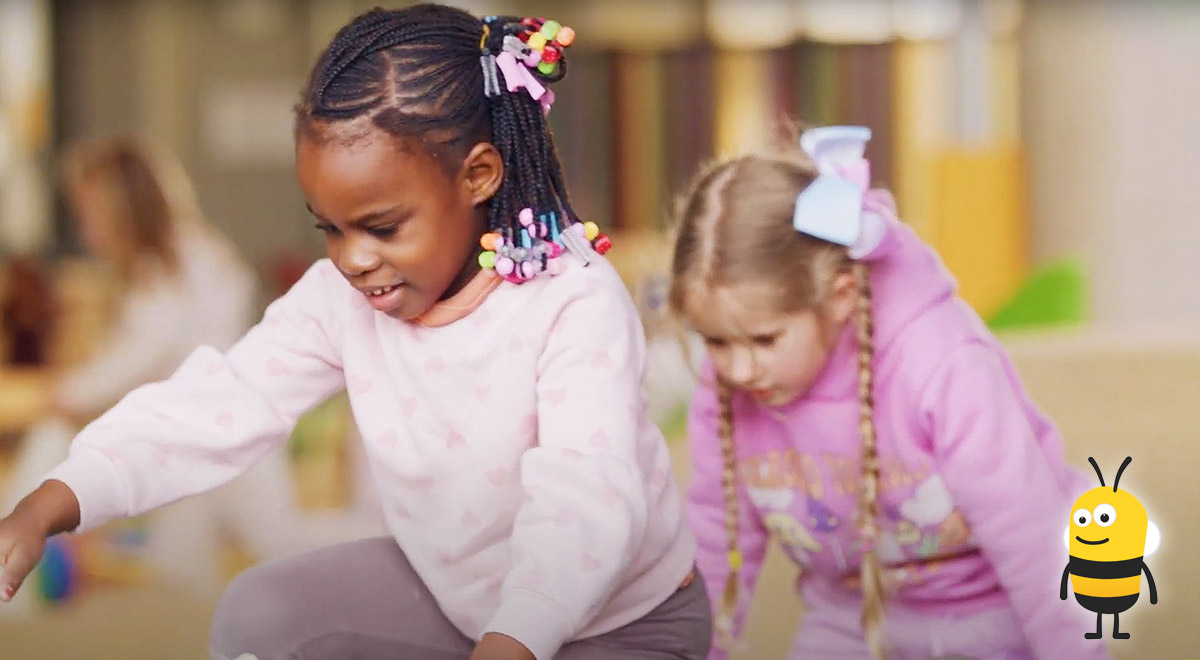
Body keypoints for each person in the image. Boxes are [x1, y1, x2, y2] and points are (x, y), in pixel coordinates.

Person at [0, 6, 710, 660]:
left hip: (620, 622)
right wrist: (50, 502)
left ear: (479, 176)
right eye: (329, 228)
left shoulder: (572, 300)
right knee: (260, 614)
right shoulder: (340, 298)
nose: (352, 257)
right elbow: (220, 401)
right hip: (462, 601)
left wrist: (511, 641)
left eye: (382, 227)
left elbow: (586, 501)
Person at [671, 125, 1110, 660]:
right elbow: (717, 541)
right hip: (847, 619)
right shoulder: (725, 386)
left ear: (840, 296)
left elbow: (1031, 539)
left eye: (765, 339)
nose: (739, 368)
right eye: (716, 341)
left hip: (995, 617)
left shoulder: (941, 362)